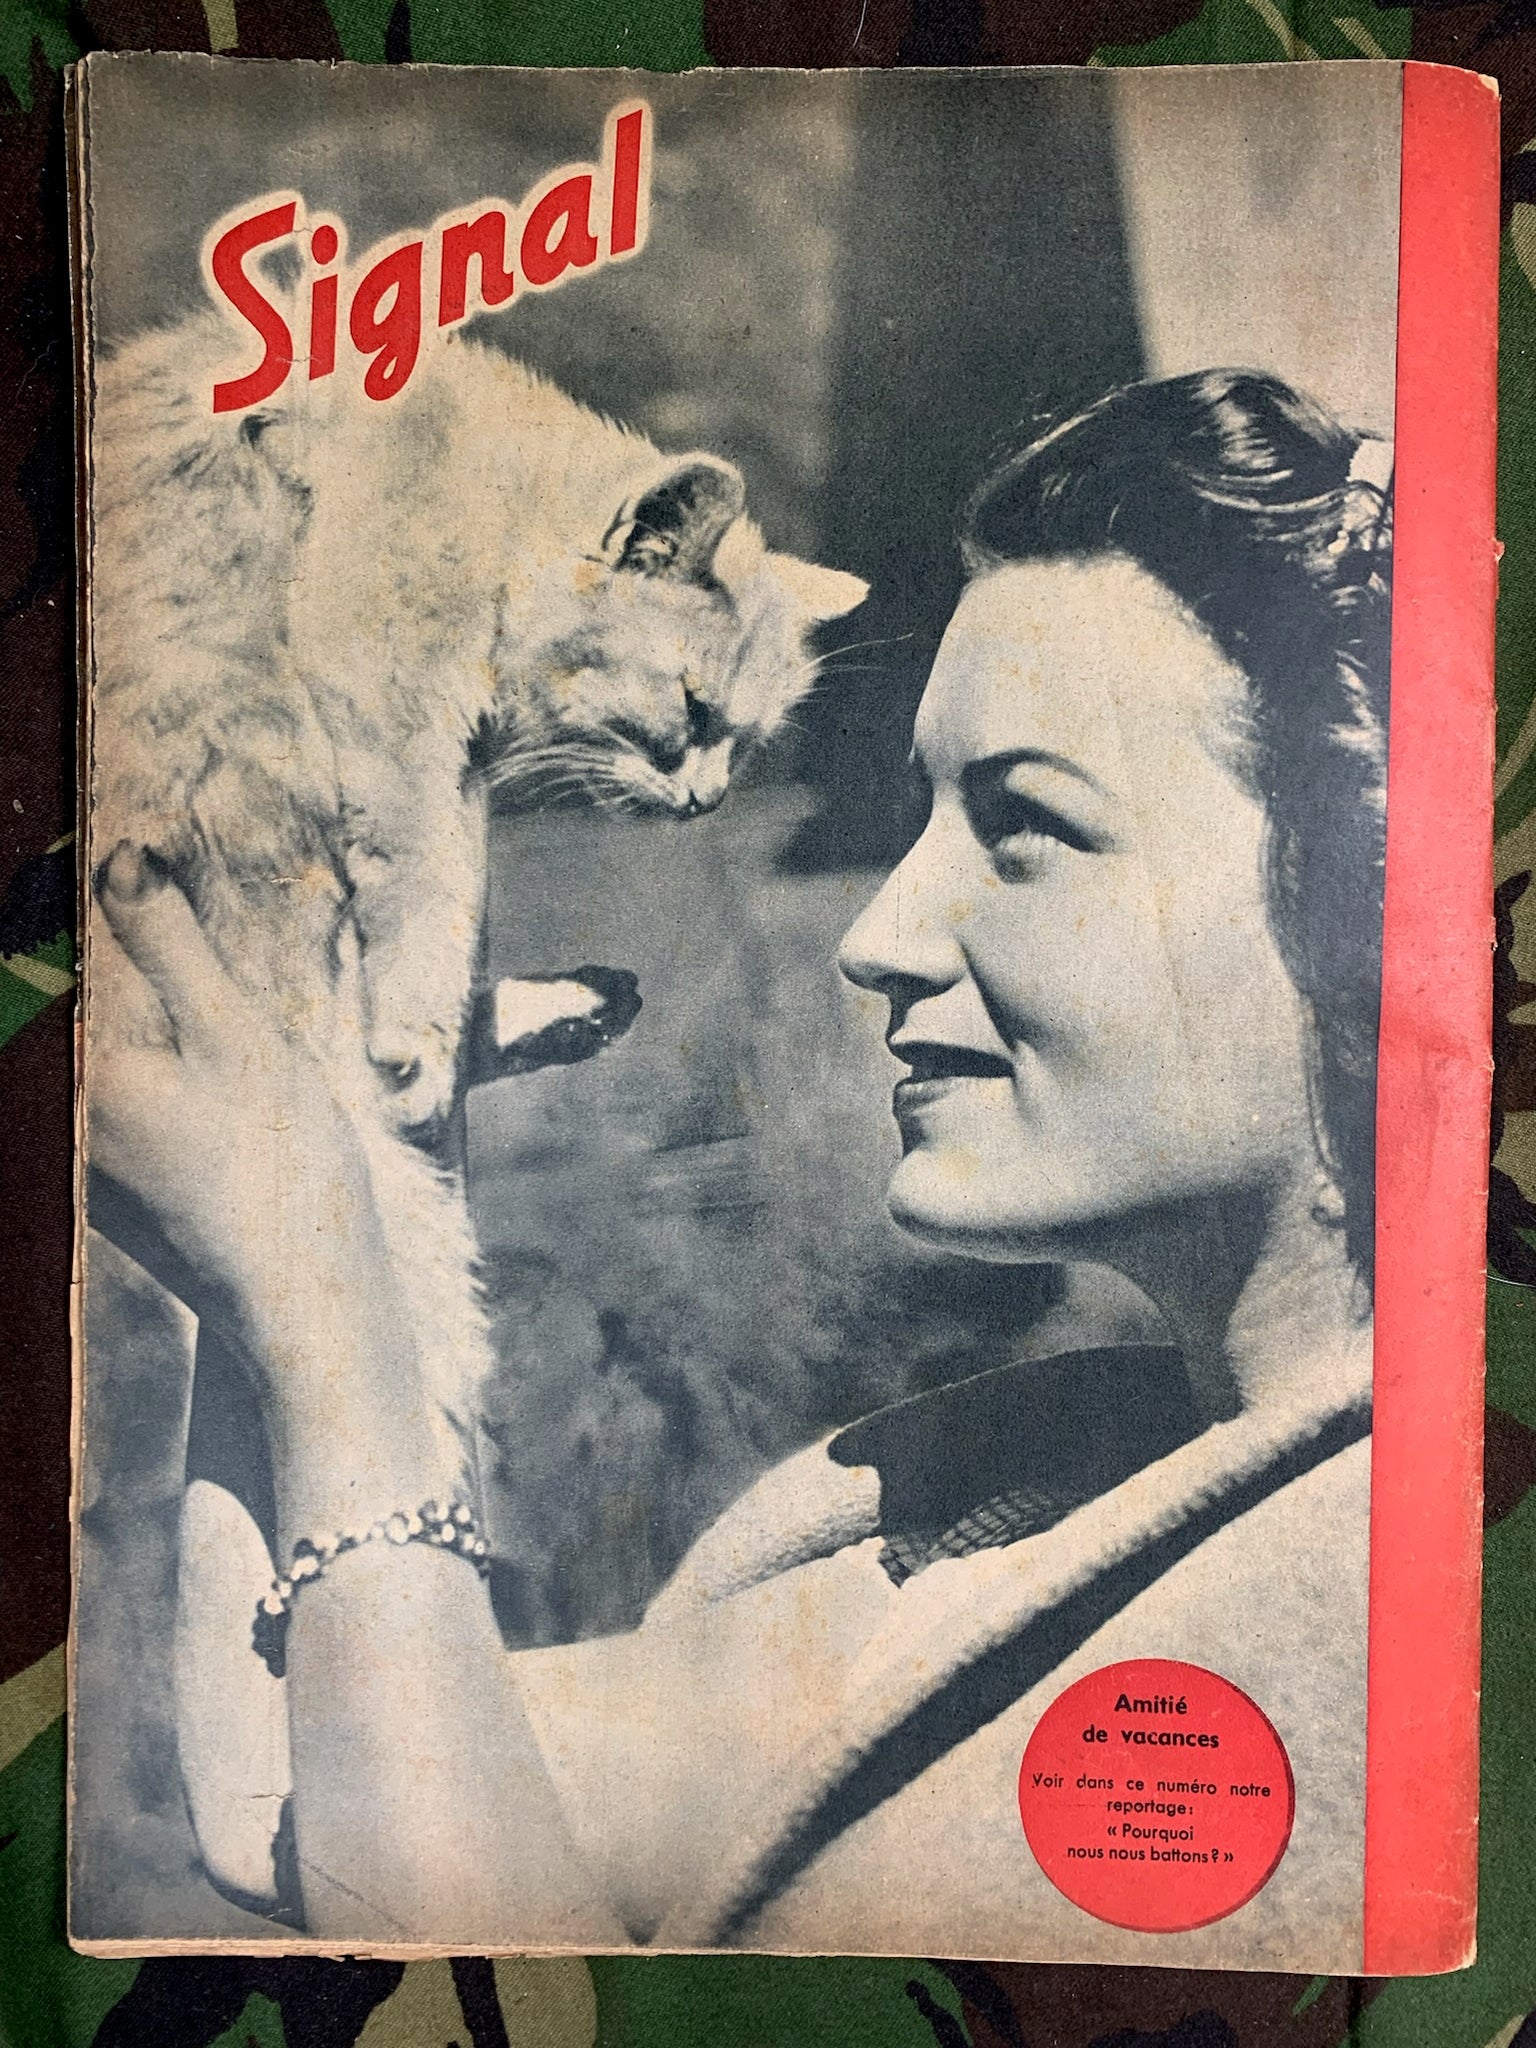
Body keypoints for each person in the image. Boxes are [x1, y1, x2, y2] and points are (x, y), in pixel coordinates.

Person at [88, 366, 1390, 1963]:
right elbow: (289, 1797)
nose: (878, 934)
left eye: (1026, 826)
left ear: (1369, 908)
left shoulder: (1390, 1604)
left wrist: (332, 1329)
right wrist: (326, 1180)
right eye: (919, 817)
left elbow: (485, 1983)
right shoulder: (1001, 1494)